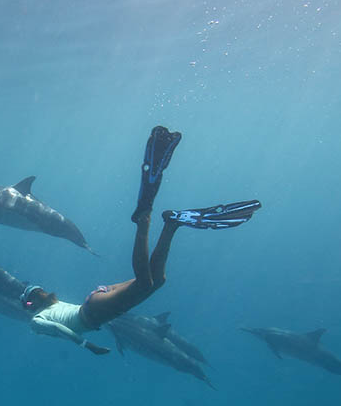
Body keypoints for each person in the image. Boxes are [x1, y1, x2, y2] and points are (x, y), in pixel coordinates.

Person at [22, 126, 261, 355]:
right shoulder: (50, 306)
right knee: (157, 281)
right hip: (97, 300)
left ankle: (143, 220)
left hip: (94, 310)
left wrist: (86, 345)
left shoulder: (36, 320)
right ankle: (171, 224)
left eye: (30, 303)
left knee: (146, 283)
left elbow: (57, 328)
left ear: (31, 304)